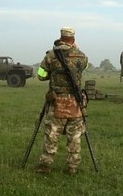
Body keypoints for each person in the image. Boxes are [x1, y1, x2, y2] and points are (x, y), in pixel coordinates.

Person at [35, 27, 88, 175]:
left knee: (52, 134)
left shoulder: (51, 56)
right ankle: (72, 167)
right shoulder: (82, 56)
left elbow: (40, 75)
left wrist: (52, 73)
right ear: (73, 39)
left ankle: (45, 165)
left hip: (56, 100)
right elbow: (83, 67)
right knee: (75, 136)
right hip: (76, 102)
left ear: (60, 37)